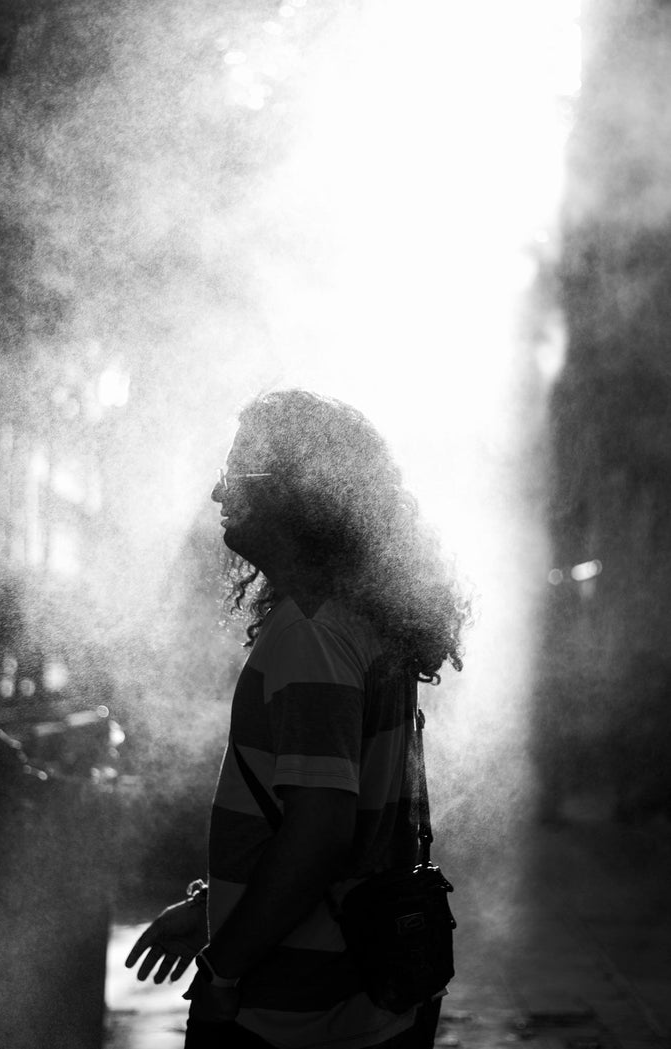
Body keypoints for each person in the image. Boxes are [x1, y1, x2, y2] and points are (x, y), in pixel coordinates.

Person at [126, 389, 469, 1049]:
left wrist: (223, 968)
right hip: (367, 1004)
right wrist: (212, 908)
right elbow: (340, 829)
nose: (219, 492)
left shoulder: (312, 633)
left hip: (292, 1016)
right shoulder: (360, 617)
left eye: (237, 474)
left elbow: (317, 836)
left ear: (291, 493)